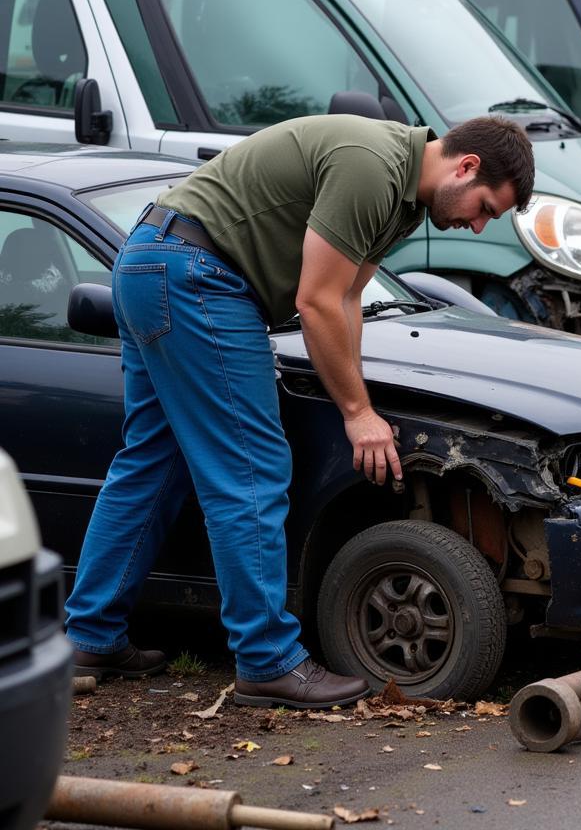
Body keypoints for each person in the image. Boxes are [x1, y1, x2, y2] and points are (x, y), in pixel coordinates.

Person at [65, 113, 535, 709]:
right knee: (252, 470)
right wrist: (357, 413)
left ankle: (91, 635)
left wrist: (359, 394)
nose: (477, 224)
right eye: (485, 207)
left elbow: (347, 298)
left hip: (155, 263)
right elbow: (314, 302)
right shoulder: (373, 166)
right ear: (465, 167)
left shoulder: (405, 199)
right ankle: (267, 660)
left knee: (154, 463)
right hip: (198, 276)